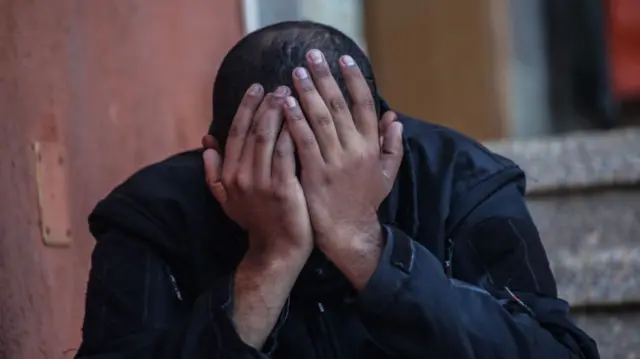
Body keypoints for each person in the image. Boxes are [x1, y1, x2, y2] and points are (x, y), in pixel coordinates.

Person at [75, 21, 599, 358]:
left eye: (332, 166)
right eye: (274, 170)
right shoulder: (154, 215)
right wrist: (267, 265)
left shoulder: (459, 181)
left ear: (387, 139)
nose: (305, 197)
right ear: (215, 157)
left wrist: (366, 246)